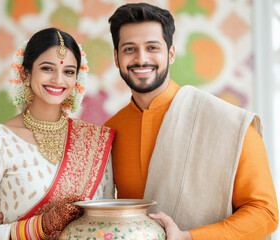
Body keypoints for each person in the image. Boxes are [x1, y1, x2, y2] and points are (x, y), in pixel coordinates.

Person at [104, 2, 278, 240]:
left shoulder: (229, 124)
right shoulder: (110, 131)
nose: (141, 58)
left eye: (152, 47)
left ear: (171, 54)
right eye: (129, 49)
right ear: (116, 58)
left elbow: (265, 213)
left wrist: (189, 237)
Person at [0, 28, 115, 240]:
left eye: (69, 71)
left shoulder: (93, 142)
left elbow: (106, 224)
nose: (59, 80)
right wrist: (41, 225)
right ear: (25, 73)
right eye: (47, 68)